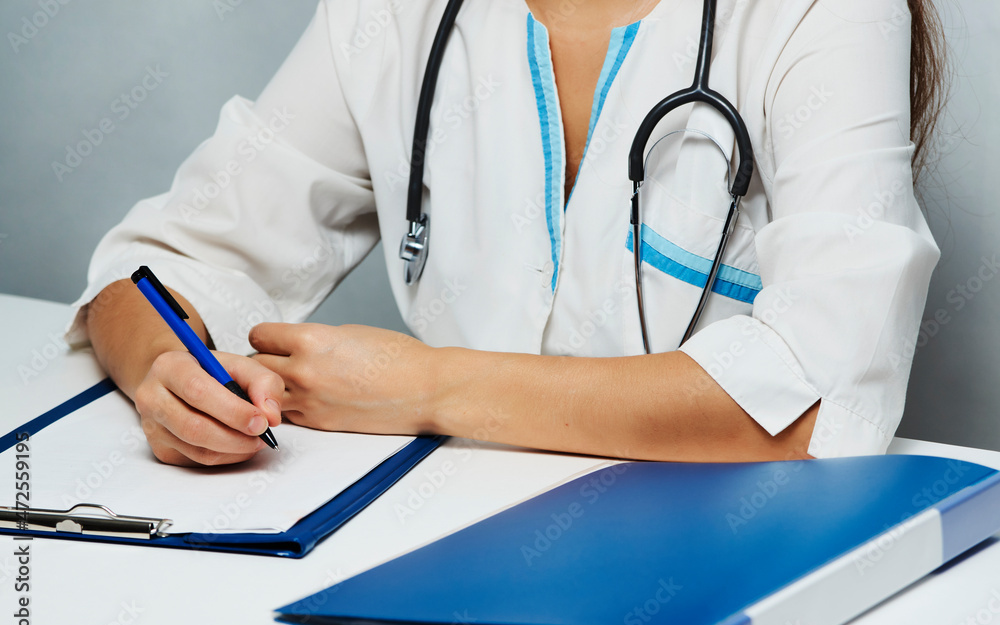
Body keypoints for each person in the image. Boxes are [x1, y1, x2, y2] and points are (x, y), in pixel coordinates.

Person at [69, 0, 946, 467]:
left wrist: (433, 387)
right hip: (439, 540)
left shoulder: (827, 11)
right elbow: (159, 266)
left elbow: (825, 394)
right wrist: (163, 372)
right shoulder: (395, 13)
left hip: (725, 563)